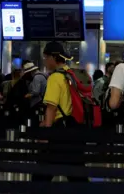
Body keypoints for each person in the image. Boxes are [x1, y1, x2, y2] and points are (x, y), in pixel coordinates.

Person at [34, 41, 86, 182]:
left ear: (52, 57)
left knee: (41, 174)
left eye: (45, 57)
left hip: (59, 132)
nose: (45, 61)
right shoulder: (71, 74)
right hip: (75, 129)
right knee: (77, 176)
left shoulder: (55, 77)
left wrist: (46, 133)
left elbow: (51, 107)